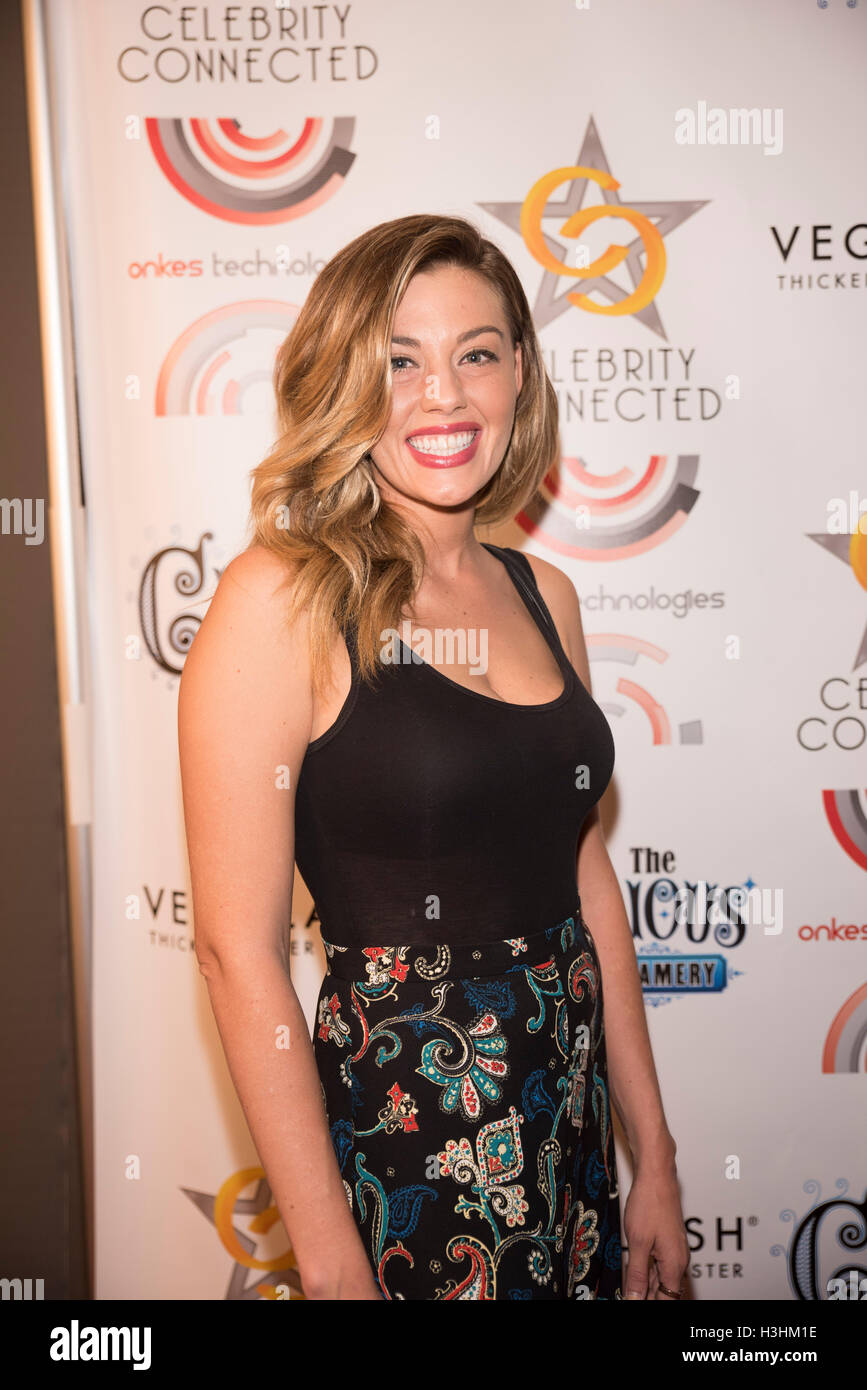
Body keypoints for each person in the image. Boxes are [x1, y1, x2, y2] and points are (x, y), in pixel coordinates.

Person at [178, 213, 689, 1301]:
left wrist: (653, 1155)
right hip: (411, 1141)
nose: (444, 396)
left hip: (569, 1129)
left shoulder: (544, 594)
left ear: (520, 376)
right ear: (343, 381)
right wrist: (333, 1266)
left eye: (477, 354)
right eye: (399, 361)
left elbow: (585, 876)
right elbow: (236, 952)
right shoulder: (280, 600)